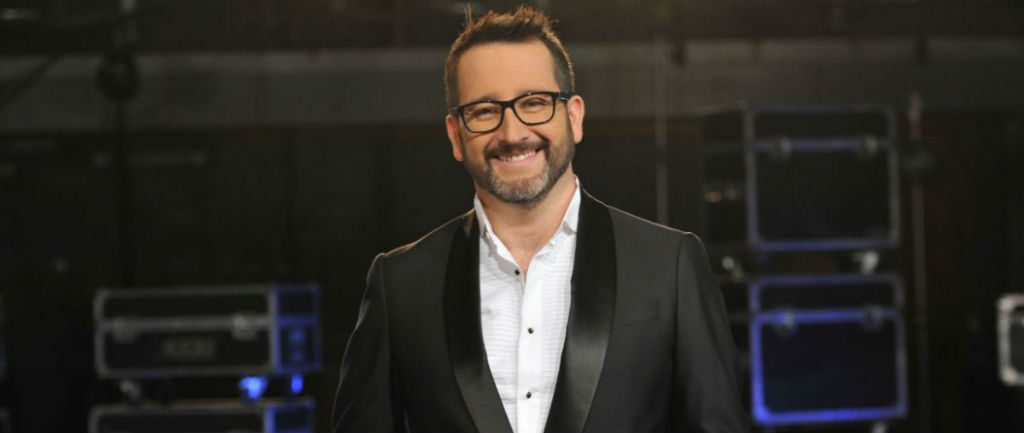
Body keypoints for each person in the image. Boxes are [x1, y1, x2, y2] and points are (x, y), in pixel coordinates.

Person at [332, 5, 748, 433]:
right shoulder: (401, 284)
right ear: (456, 135)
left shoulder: (669, 266)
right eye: (484, 111)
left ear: (574, 117)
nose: (512, 133)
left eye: (534, 103)